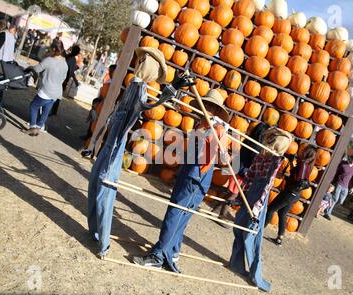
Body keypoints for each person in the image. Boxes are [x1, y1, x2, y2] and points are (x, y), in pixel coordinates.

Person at [133, 89, 231, 272]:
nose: (206, 109)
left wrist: (220, 141)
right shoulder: (199, 125)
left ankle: (158, 255)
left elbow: (223, 160)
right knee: (178, 213)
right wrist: (179, 173)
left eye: (211, 107)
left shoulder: (218, 130)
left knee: (176, 214)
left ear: (216, 111)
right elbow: (191, 153)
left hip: (198, 177)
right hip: (188, 173)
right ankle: (172, 252)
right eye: (206, 104)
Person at [88, 47, 168, 258]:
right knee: (95, 183)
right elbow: (116, 112)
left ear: (150, 68)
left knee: (105, 191)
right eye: (141, 60)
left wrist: (163, 100)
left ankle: (103, 244)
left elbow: (138, 109)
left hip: (116, 144)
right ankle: (94, 232)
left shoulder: (140, 89)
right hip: (108, 142)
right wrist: (95, 141)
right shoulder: (135, 84)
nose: (140, 63)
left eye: (144, 61)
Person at [230, 128, 293, 292]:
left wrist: (249, 203)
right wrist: (248, 202)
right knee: (245, 233)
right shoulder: (269, 160)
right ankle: (245, 270)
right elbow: (257, 182)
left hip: (254, 198)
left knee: (245, 234)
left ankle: (246, 270)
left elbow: (258, 182)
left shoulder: (267, 158)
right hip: (254, 198)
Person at [211, 122, 268, 227]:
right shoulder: (256, 146)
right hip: (242, 171)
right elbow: (252, 160)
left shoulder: (250, 140)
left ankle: (217, 208)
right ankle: (222, 215)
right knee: (234, 194)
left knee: (232, 191)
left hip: (238, 168)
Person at [265, 145, 317, 246]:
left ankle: (259, 229)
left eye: (304, 150)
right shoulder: (309, 165)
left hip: (290, 193)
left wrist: (290, 172)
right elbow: (298, 177)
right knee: (282, 213)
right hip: (295, 195)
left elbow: (297, 179)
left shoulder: (303, 164)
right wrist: (292, 164)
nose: (302, 150)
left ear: (307, 153)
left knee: (271, 209)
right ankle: (279, 238)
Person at [22, 41, 68, 136]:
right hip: (56, 92)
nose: (49, 51)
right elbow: (63, 78)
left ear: (54, 49)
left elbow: (37, 69)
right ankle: (39, 127)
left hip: (46, 90)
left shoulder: (49, 60)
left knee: (33, 106)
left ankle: (32, 127)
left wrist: (30, 66)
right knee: (46, 110)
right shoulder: (65, 63)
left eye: (50, 49)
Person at [323, 153, 353, 220]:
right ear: (350, 158)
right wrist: (332, 181)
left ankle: (326, 205)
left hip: (346, 186)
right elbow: (336, 172)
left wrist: (352, 187)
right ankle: (327, 213)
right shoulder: (343, 163)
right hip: (338, 183)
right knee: (335, 199)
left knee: (340, 201)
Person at [50, 45, 81, 116]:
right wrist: (76, 81)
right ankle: (53, 110)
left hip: (58, 76)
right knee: (58, 96)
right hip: (63, 79)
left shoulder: (67, 56)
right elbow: (71, 72)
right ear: (77, 52)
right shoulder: (72, 59)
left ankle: (52, 109)